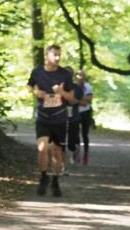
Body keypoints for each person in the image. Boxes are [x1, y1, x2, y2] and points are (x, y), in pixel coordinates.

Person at [27, 44, 77, 197]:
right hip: (43, 116)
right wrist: (36, 92)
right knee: (42, 149)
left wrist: (62, 92)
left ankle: (55, 181)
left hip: (59, 117)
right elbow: (29, 86)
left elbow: (72, 97)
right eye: (54, 54)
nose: (57, 57)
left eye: (59, 55)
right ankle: (43, 178)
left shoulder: (65, 74)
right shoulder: (37, 72)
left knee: (56, 151)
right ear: (46, 56)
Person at [72, 68, 94, 164]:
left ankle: (86, 153)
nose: (80, 77)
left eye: (81, 75)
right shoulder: (72, 86)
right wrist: (81, 100)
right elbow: (71, 99)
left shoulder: (88, 86)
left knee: (85, 134)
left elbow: (89, 100)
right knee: (74, 134)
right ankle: (76, 153)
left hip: (86, 112)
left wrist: (78, 99)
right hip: (75, 112)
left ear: (84, 76)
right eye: (78, 75)